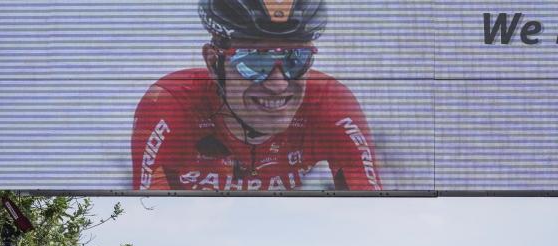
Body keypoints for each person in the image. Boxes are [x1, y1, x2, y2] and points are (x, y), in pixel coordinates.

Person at [131, 0, 382, 193]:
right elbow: (149, 215)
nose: (278, 84)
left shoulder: (330, 104)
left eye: (296, 59)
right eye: (254, 61)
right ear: (213, 63)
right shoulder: (171, 105)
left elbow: (370, 215)